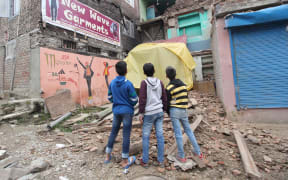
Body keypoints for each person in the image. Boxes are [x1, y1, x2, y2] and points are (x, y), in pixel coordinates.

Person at [104, 61, 138, 173]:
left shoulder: (112, 83)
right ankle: (124, 160)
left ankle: (108, 156)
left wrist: (117, 101)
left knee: (113, 132)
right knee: (126, 135)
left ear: (116, 71)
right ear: (126, 71)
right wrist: (128, 104)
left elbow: (109, 97)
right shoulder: (128, 84)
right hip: (127, 112)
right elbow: (134, 100)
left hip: (116, 111)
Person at [165, 66, 203, 163]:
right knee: (189, 131)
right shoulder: (183, 85)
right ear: (175, 74)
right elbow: (186, 98)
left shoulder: (169, 87)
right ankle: (198, 152)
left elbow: (167, 102)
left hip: (174, 111)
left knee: (178, 134)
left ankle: (181, 156)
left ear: (167, 76)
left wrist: (168, 112)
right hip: (183, 110)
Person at [138, 63, 167, 170]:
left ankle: (145, 161)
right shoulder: (160, 82)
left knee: (146, 137)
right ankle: (160, 160)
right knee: (160, 135)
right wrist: (164, 110)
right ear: (154, 71)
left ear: (144, 72)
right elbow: (164, 97)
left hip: (149, 113)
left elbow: (142, 99)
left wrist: (141, 113)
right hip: (159, 111)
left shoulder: (144, 83)